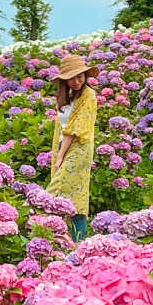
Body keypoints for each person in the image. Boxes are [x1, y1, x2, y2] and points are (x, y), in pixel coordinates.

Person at [48, 53, 97, 241]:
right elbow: (60, 128)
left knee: (60, 190)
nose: (76, 81)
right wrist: (58, 152)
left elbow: (76, 128)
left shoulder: (89, 95)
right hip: (62, 146)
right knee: (66, 193)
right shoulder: (64, 96)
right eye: (71, 78)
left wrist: (61, 156)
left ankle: (76, 240)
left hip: (80, 147)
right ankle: (65, 240)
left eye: (80, 76)